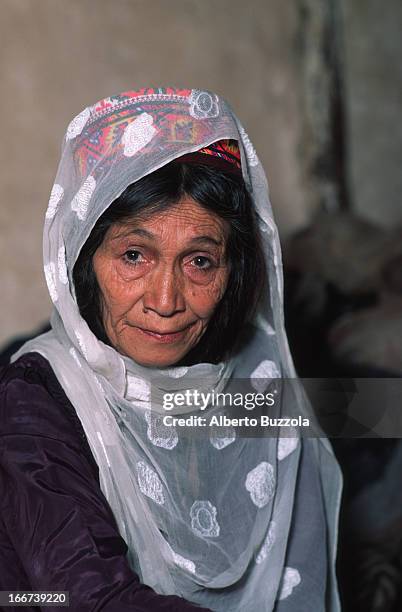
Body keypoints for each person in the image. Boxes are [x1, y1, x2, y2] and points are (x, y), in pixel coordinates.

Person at [0, 87, 342, 611]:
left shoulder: (254, 389)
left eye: (200, 262)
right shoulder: (34, 402)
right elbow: (91, 600)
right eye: (134, 255)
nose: (165, 301)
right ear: (84, 260)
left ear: (235, 274)